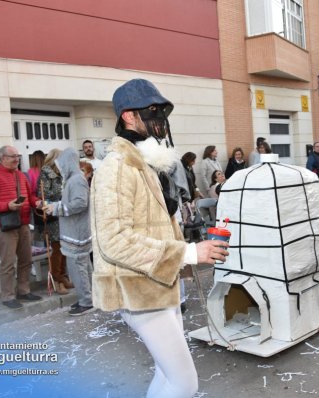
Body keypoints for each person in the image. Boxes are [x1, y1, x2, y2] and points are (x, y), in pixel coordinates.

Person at [91, 78, 229, 397]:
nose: (160, 120)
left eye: (162, 111)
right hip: (138, 290)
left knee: (167, 375)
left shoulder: (146, 164)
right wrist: (189, 254)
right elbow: (113, 240)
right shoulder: (117, 166)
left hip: (160, 285)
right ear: (128, 116)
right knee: (184, 382)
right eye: (152, 111)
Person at [0, 145, 43, 309]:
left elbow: (30, 196)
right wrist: (6, 206)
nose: (17, 159)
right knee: (8, 263)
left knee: (25, 260)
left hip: (23, 223)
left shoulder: (21, 176)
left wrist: (36, 202)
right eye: (13, 156)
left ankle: (23, 290)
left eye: (18, 156)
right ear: (2, 158)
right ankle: (8, 296)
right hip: (5, 226)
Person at [45, 148, 93, 316]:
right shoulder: (73, 179)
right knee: (83, 266)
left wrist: (56, 208)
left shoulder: (76, 180)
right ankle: (88, 297)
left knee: (78, 267)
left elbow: (80, 203)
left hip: (77, 231)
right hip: (75, 230)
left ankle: (86, 301)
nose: (59, 169)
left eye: (61, 165)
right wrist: (55, 205)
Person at [37, 149, 72, 295]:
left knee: (64, 247)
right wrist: (63, 193)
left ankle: (63, 276)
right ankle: (57, 280)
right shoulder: (46, 173)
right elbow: (44, 193)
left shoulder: (62, 173)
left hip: (63, 212)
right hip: (53, 214)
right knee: (57, 248)